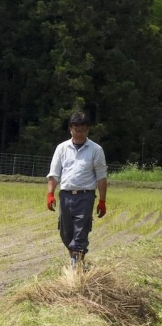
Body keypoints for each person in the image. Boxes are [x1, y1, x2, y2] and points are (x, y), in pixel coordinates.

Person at [46, 111, 108, 269]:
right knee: (66, 234)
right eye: (76, 130)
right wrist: (50, 194)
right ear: (70, 129)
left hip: (85, 197)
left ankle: (75, 268)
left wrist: (102, 200)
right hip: (66, 196)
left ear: (88, 130)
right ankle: (76, 258)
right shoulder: (62, 148)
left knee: (81, 232)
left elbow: (101, 177)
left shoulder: (96, 150)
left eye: (83, 130)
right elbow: (54, 173)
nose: (79, 134)